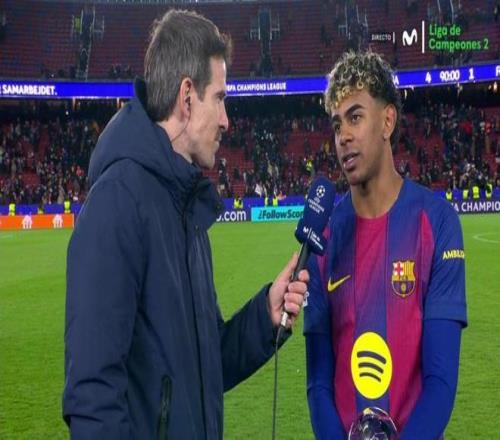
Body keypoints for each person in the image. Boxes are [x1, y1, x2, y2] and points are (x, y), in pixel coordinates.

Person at [62, 10, 309, 439]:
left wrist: (264, 316)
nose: (227, 120)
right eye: (220, 98)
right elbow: (92, 397)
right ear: (187, 96)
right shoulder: (118, 202)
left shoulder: (186, 210)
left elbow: (205, 364)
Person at [304, 51, 467, 439]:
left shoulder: (437, 222)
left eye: (355, 117)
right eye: (337, 124)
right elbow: (318, 384)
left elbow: (440, 382)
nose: (343, 136)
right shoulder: (320, 239)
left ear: (388, 121)